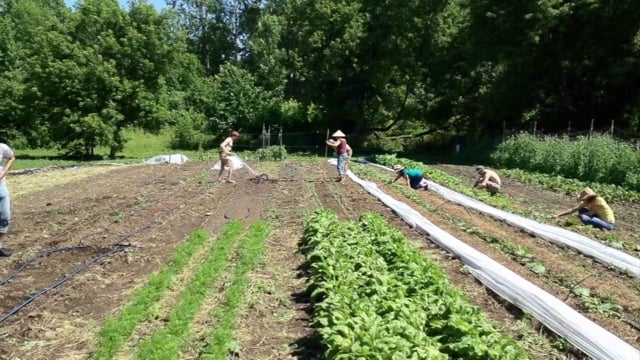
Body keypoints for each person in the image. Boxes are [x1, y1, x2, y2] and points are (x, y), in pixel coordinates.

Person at [0, 142, 16, 257]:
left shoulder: (1, 147)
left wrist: (3, 172)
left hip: (0, 186)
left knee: (5, 217)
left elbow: (11, 158)